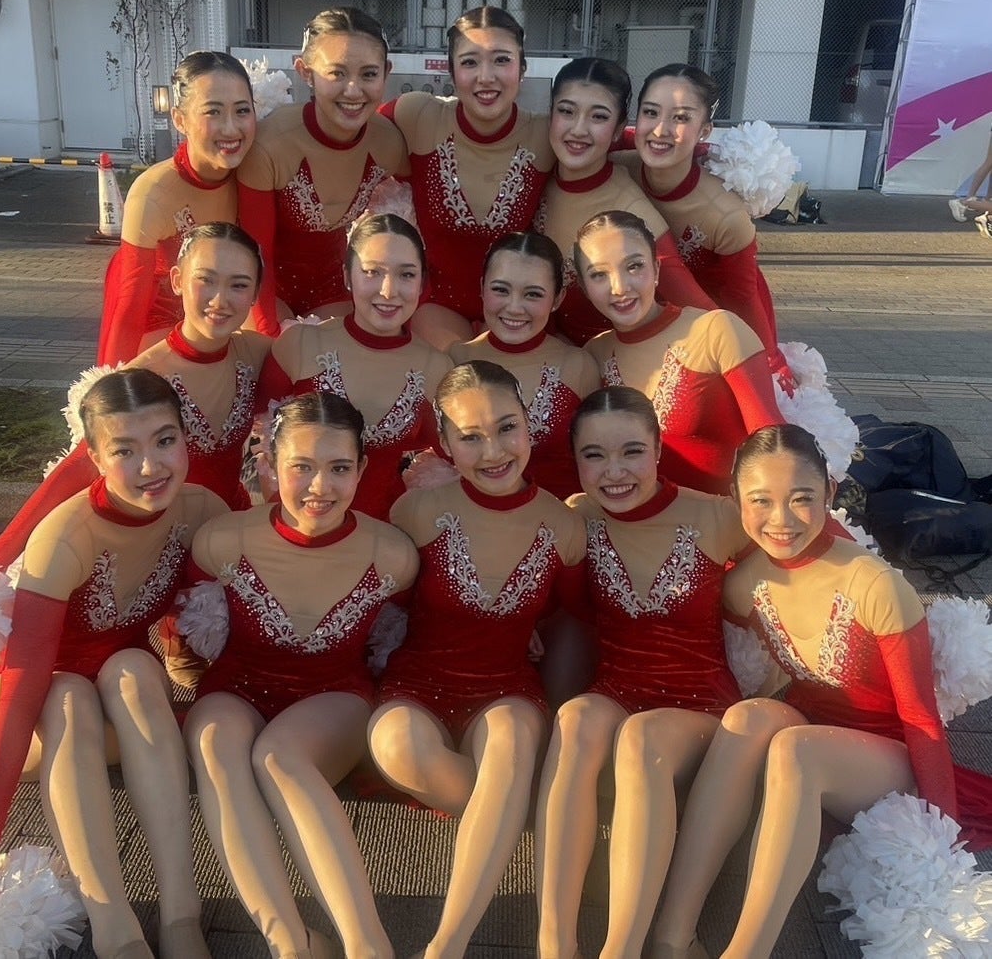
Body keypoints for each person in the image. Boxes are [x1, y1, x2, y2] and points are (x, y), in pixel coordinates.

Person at [0, 370, 228, 959]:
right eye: (124, 450)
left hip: (118, 697)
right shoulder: (65, 536)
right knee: (65, 695)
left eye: (165, 440)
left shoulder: (201, 510)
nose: (151, 467)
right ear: (93, 458)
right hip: (14, 701)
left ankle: (181, 914)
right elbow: (22, 692)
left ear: (185, 437)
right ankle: (115, 926)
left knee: (134, 669)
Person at [647, 424, 992, 959]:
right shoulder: (744, 586)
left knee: (796, 748)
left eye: (801, 498)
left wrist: (937, 838)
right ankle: (673, 937)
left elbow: (921, 719)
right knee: (747, 718)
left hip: (889, 754)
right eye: (761, 500)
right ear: (736, 499)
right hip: (812, 731)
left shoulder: (875, 584)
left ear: (829, 493)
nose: (781, 520)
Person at [184, 391, 418, 959]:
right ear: (268, 463)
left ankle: (368, 947)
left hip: (334, 694)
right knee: (214, 742)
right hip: (238, 685)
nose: (320, 487)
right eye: (302, 467)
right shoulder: (222, 539)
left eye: (339, 468)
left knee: (278, 756)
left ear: (363, 468)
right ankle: (290, 943)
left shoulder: (393, 554)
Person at [368, 360, 586, 958]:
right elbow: (378, 596)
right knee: (397, 748)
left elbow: (575, 615)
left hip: (507, 687)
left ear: (529, 425)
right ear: (444, 443)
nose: (493, 451)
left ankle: (446, 946)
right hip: (419, 681)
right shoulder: (417, 513)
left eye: (507, 427)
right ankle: (520, 811)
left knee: (510, 741)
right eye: (470, 437)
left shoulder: (563, 526)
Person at [535, 387, 749, 959]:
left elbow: (810, 538)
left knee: (642, 736)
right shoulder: (579, 517)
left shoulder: (718, 515)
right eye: (595, 456)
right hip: (616, 688)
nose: (614, 472)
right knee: (575, 719)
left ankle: (621, 950)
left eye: (631, 451)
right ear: (576, 461)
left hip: (699, 705)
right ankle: (556, 943)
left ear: (657, 450)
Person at [0, 223, 271, 575]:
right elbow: (80, 467)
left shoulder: (258, 353)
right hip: (165, 542)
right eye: (205, 280)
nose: (219, 300)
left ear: (255, 293)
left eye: (238, 285)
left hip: (230, 529)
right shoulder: (143, 376)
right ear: (177, 280)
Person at [255, 213, 451, 520]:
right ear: (347, 276)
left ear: (422, 283)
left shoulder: (436, 368)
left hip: (385, 530)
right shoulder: (301, 343)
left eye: (406, 274)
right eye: (372, 272)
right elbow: (257, 431)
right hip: (298, 525)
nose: (388, 291)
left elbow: (457, 454)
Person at [380, 6, 553, 348]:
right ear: (452, 70)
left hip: (519, 309)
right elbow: (352, 133)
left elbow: (615, 145)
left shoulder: (546, 134)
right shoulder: (418, 115)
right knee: (460, 371)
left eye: (501, 60)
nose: (485, 77)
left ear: (522, 69)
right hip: (437, 307)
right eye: (470, 62)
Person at [577, 211, 785, 495]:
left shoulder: (716, 329)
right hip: (630, 519)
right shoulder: (594, 355)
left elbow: (775, 445)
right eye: (599, 275)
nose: (620, 287)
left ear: (656, 270)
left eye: (634, 266)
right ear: (584, 288)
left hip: (724, 517)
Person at [238, 7, 411, 336]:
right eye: (337, 74)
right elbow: (254, 254)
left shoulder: (389, 143)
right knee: (277, 352)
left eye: (369, 74)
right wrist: (270, 334)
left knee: (348, 352)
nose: (353, 90)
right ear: (305, 72)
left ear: (386, 73)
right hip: (263, 283)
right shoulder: (271, 143)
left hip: (333, 285)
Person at [618, 64, 786, 378]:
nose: (660, 130)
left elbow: (744, 302)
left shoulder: (725, 214)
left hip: (705, 337)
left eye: (681, 118)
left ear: (705, 130)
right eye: (650, 112)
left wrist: (772, 370)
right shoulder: (617, 168)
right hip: (628, 321)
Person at [97, 51, 258, 364]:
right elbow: (130, 307)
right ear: (180, 119)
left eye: (242, 111)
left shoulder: (258, 173)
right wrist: (112, 383)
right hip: (159, 319)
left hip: (229, 310)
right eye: (213, 112)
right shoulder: (154, 192)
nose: (231, 129)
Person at [540, 57, 713, 345]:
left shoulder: (631, 211)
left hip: (608, 363)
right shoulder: (539, 171)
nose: (578, 129)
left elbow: (706, 317)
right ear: (551, 114)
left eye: (598, 117)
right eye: (567, 111)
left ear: (619, 128)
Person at [450, 232, 599, 499]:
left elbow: (597, 457)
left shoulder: (578, 365)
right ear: (482, 287)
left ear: (557, 299)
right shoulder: (455, 360)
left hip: (560, 517)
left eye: (533, 294)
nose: (515, 308)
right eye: (501, 290)